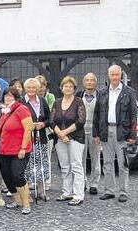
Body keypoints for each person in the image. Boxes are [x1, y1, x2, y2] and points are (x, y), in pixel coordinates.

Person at [93, 65, 137, 203]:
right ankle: (109, 190)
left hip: (122, 132)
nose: (114, 77)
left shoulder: (129, 92)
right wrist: (96, 134)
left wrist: (132, 135)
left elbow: (133, 116)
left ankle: (123, 192)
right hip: (106, 131)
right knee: (107, 163)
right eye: (112, 74)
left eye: (117, 74)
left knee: (123, 164)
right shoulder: (102, 93)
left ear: (121, 75)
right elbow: (97, 114)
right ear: (108, 75)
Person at [0, 86, 34, 214]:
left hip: (19, 150)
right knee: (7, 176)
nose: (7, 98)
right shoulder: (5, 111)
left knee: (18, 176)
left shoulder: (22, 109)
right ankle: (16, 200)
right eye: (5, 95)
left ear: (16, 97)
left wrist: (23, 147)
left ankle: (26, 204)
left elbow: (28, 128)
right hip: (4, 150)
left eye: (10, 96)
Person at [50, 76, 86, 206]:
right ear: (62, 88)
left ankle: (78, 195)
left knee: (76, 166)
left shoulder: (79, 102)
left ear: (74, 88)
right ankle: (67, 192)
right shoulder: (57, 102)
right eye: (66, 86)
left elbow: (81, 121)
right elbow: (51, 120)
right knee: (65, 167)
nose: (68, 88)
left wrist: (65, 132)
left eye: (70, 86)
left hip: (75, 138)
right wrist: (60, 134)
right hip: (60, 139)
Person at [22, 78, 50, 200]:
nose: (31, 90)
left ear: (38, 89)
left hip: (41, 137)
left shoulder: (43, 101)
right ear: (25, 89)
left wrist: (43, 124)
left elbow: (49, 119)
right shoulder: (22, 102)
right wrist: (30, 125)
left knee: (41, 163)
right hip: (27, 138)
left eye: (34, 88)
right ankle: (26, 191)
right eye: (29, 88)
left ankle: (41, 190)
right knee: (27, 165)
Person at [76, 73, 101, 195]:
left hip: (95, 132)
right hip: (80, 132)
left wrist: (100, 133)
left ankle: (94, 184)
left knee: (96, 159)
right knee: (81, 159)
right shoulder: (79, 96)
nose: (90, 82)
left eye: (92, 80)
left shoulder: (101, 97)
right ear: (83, 82)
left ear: (95, 83)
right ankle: (83, 182)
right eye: (87, 80)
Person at [35, 75, 56, 191]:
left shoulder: (50, 97)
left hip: (47, 129)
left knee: (46, 156)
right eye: (39, 86)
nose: (41, 88)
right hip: (34, 130)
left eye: (43, 85)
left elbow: (51, 112)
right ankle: (35, 180)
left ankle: (46, 181)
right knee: (34, 155)